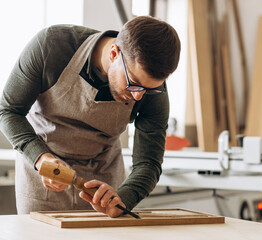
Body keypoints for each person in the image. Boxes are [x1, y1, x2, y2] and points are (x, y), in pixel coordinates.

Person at [0, 16, 181, 218]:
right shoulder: (51, 47)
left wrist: (123, 197)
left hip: (104, 178)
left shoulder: (151, 89)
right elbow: (7, 111)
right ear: (114, 53)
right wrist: (39, 157)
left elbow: (148, 163)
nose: (139, 95)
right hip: (44, 171)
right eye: (134, 83)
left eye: (149, 89)